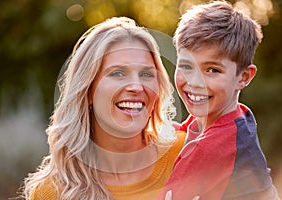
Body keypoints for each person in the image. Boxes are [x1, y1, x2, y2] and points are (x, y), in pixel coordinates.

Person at [21, 17, 186, 200]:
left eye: (146, 74)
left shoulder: (188, 154)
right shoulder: (52, 192)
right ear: (88, 90)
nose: (137, 87)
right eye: (118, 73)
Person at [158, 1, 280, 200]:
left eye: (213, 70)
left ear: (244, 77)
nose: (195, 82)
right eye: (187, 66)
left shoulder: (212, 148)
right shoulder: (238, 118)